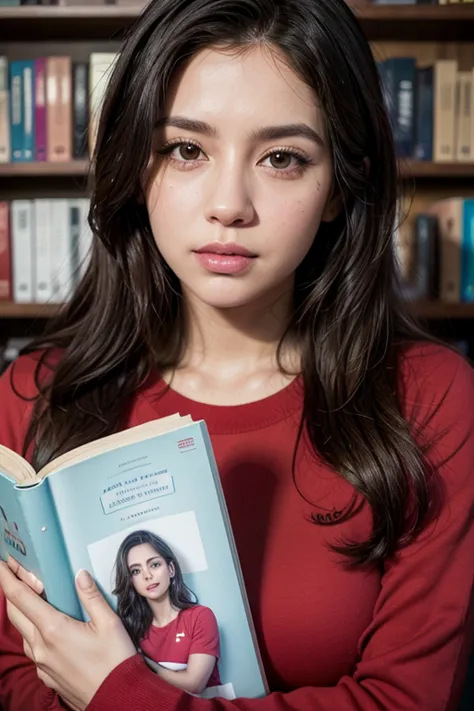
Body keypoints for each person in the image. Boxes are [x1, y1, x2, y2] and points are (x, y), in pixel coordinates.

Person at [0, 0, 472, 710]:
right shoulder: (33, 395)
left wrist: (117, 693)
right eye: (187, 149)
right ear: (135, 164)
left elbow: (405, 700)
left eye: (282, 158)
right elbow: (15, 679)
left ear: (340, 187)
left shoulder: (430, 398)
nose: (229, 204)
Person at [112, 530, 221, 694]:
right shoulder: (132, 630)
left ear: (171, 569)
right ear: (130, 581)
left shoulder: (200, 617)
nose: (147, 575)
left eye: (154, 565)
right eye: (136, 571)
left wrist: (145, 663)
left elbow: (194, 684)